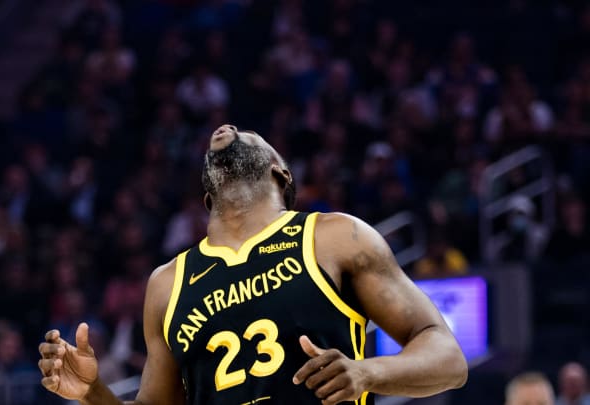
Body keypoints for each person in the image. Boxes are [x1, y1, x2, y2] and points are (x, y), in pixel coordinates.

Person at [38, 125, 467, 404]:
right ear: (208, 197)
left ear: (280, 173)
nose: (225, 129)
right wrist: (94, 393)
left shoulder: (334, 237)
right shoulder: (168, 284)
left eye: (249, 132)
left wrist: (366, 372)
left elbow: (448, 358)